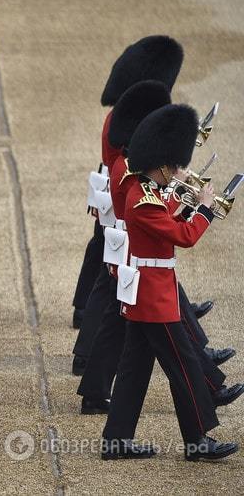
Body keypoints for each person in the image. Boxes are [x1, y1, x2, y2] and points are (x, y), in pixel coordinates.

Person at [77, 81, 241, 414]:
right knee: (160, 323)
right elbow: (144, 210)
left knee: (139, 324)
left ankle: (207, 379)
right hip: (132, 252)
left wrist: (175, 193)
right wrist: (186, 199)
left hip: (136, 251)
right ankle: (208, 385)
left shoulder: (132, 159)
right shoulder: (128, 169)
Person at [101, 104, 237, 461]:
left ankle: (116, 440)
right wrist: (205, 210)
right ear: (160, 164)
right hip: (153, 296)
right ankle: (198, 441)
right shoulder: (142, 199)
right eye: (174, 166)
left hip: (151, 290)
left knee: (134, 367)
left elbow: (169, 219)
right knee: (186, 366)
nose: (178, 171)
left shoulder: (147, 189)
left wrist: (186, 203)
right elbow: (185, 237)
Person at [71, 35, 213, 375]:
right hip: (126, 231)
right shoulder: (127, 157)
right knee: (116, 299)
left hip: (131, 232)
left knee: (119, 298)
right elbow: (134, 190)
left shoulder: (131, 140)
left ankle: (203, 361)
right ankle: (88, 364)